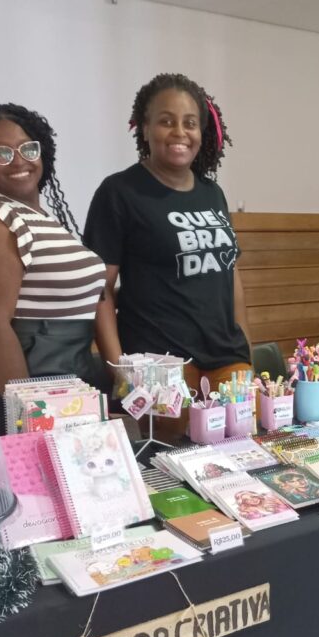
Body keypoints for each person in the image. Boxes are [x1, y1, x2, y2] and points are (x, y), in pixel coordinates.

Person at [0, 100, 110, 434]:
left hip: (64, 386)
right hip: (22, 394)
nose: (19, 161)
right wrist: (33, 417)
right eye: (2, 153)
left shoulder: (37, 218)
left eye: (28, 148)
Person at [84, 73, 252, 425]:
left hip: (227, 359)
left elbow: (229, 273)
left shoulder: (213, 193)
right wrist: (119, 368)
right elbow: (100, 290)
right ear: (144, 129)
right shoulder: (119, 192)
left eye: (190, 123)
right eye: (166, 121)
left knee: (241, 462)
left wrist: (246, 346)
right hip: (160, 367)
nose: (179, 132)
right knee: (169, 469)